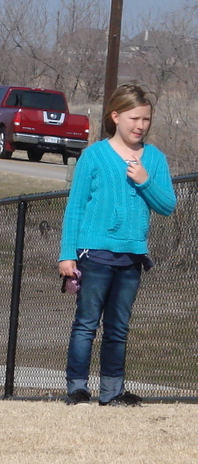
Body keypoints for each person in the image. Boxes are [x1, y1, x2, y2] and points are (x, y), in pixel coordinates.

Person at [58, 82, 177, 407]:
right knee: (86, 324)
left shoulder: (153, 159)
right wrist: (67, 254)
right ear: (115, 116)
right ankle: (78, 389)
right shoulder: (94, 155)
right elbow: (75, 207)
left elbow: (167, 205)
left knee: (118, 328)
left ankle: (112, 392)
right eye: (133, 118)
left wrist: (144, 181)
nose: (140, 126)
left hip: (132, 256)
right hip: (93, 253)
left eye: (146, 120)